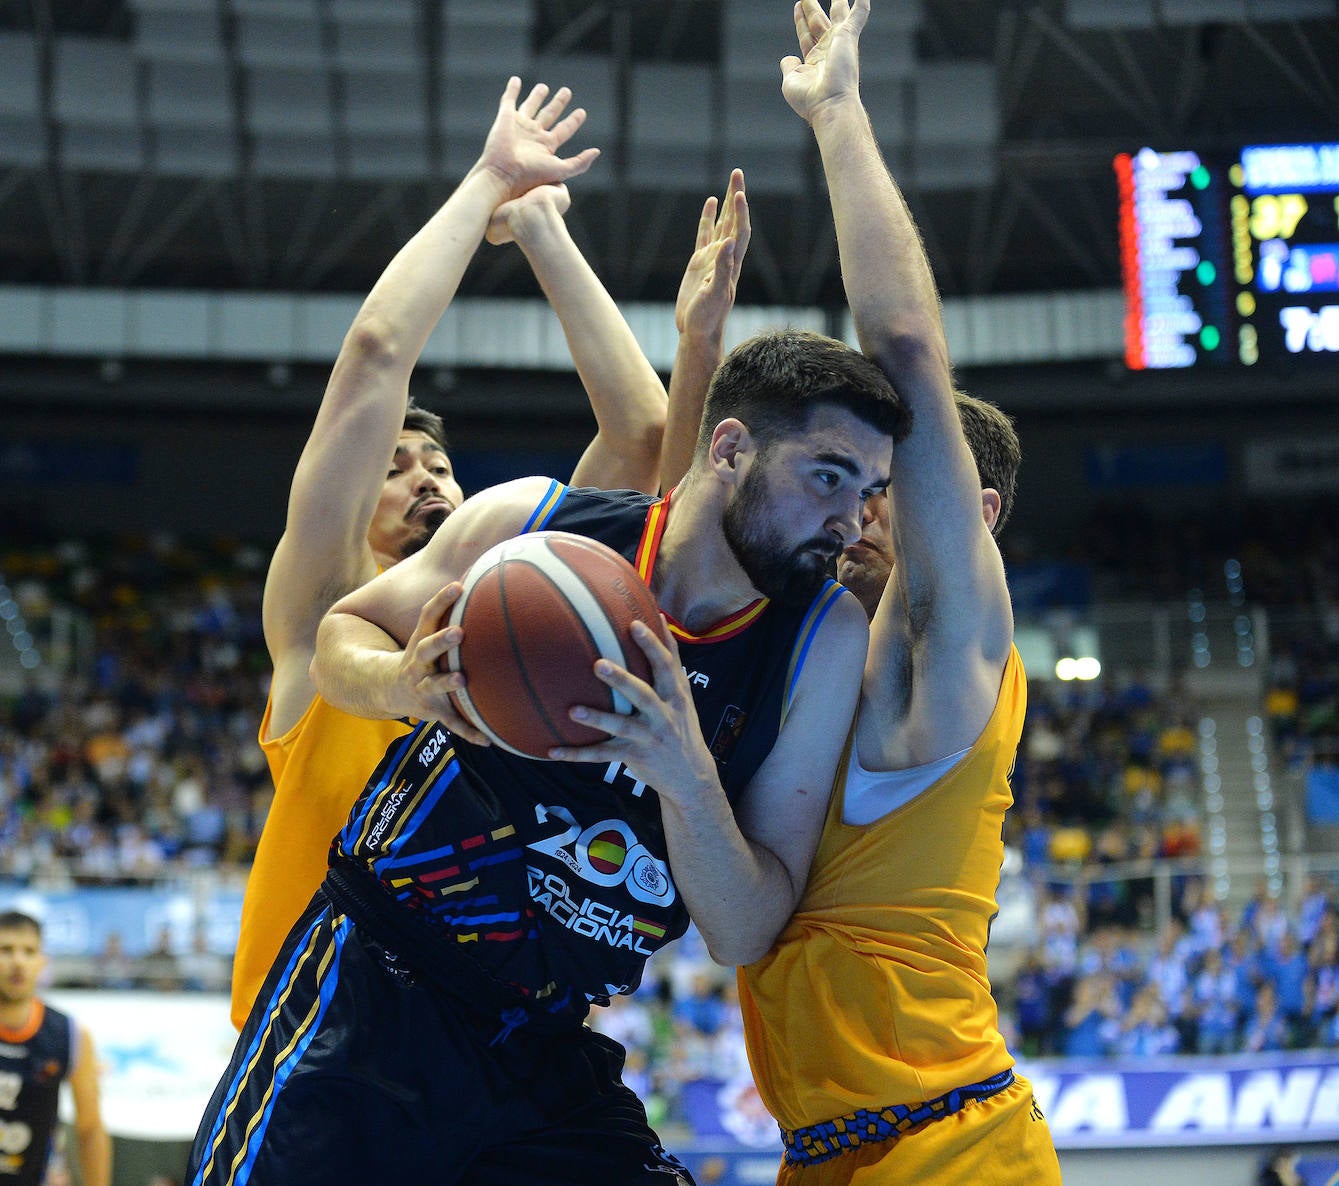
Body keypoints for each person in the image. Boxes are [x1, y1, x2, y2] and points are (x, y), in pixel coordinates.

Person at [184, 161, 908, 1186]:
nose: (851, 521)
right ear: (739, 451)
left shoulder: (820, 638)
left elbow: (746, 927)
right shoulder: (537, 534)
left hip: (539, 1039)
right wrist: (402, 686)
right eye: (831, 478)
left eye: (869, 490)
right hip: (372, 986)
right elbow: (340, 627)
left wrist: (685, 770)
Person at [229, 74, 672, 1028]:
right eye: (396, 467)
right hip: (318, 1036)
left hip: (488, 1037)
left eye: (439, 463)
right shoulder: (319, 618)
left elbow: (642, 435)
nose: (426, 475)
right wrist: (488, 184)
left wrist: (547, 236)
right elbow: (377, 355)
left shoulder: (518, 613)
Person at [721, 2, 1062, 1181]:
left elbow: (908, 352)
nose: (863, 506)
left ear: (970, 518)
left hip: (954, 1146)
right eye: (850, 481)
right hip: (824, 1152)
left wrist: (837, 116)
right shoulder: (815, 650)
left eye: (890, 485)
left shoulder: (948, 645)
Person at [0, 911, 111, 1186]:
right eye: (6, 949)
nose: (18, 961)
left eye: (28, 951)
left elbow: (89, 1129)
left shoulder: (69, 1035)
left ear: (41, 962)